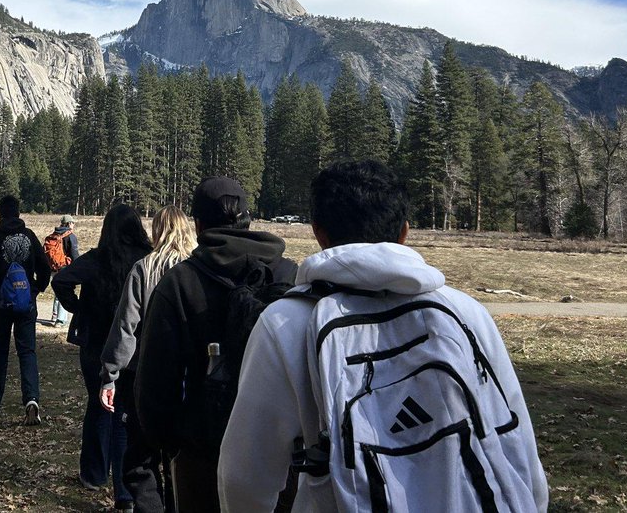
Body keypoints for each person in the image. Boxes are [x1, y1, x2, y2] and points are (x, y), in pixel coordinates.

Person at [217, 161, 548, 513]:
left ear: (319, 234)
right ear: (404, 232)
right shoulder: (464, 311)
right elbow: (515, 435)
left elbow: (245, 474)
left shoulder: (285, 322)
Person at [135, 177, 298, 513]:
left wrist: (171, 443)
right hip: (282, 454)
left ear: (198, 224)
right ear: (249, 219)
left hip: (204, 453)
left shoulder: (181, 283)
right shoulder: (290, 276)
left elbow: (154, 383)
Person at [53, 204, 152, 511]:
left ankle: (94, 473)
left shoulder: (97, 259)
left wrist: (77, 308)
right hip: (133, 346)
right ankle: (124, 488)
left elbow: (60, 280)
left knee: (98, 408)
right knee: (124, 415)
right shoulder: (146, 260)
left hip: (96, 344)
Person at [99, 205, 197, 513]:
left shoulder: (145, 268)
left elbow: (126, 326)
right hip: (190, 377)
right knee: (181, 458)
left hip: (145, 375)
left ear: (157, 231)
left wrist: (110, 374)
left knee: (142, 457)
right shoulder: (197, 269)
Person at [0, 194, 51, 425]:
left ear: (0, 213)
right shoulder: (30, 237)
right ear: (19, 213)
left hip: (1, 305)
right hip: (26, 303)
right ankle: (31, 399)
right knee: (27, 351)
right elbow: (45, 268)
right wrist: (35, 290)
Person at [45, 214, 80, 326]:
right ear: (69, 223)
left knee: (57, 292)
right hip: (65, 268)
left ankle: (54, 317)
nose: (73, 225)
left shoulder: (54, 235)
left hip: (54, 268)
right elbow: (75, 255)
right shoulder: (70, 236)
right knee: (64, 293)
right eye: (73, 223)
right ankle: (60, 320)